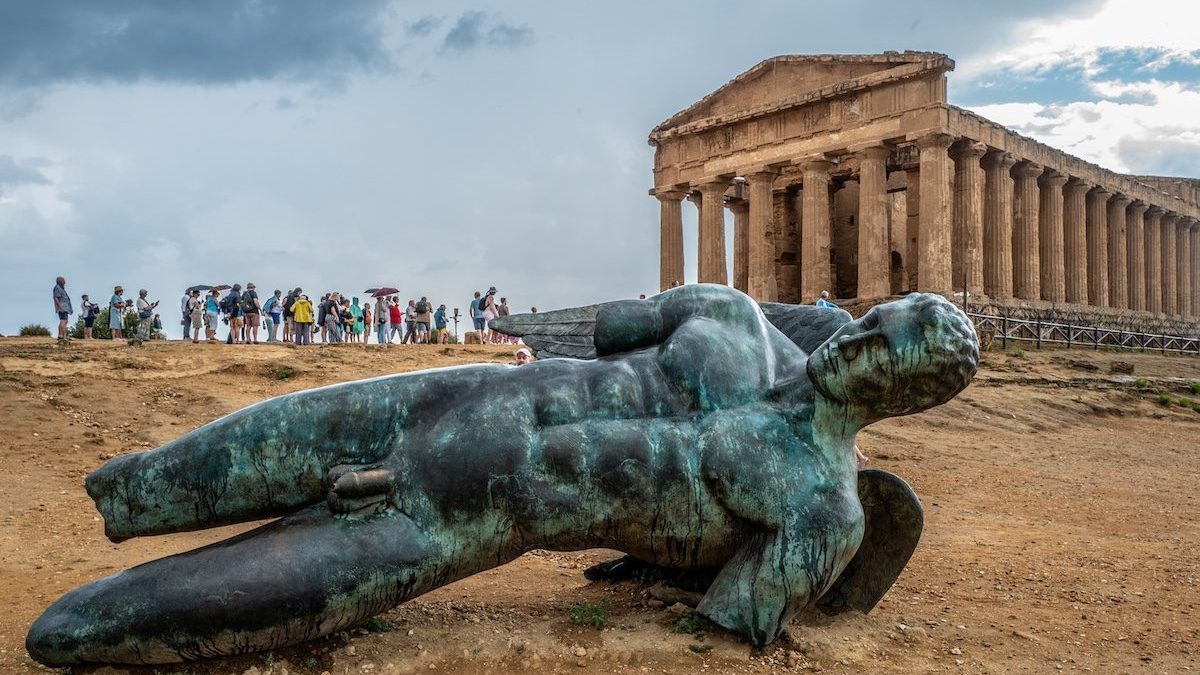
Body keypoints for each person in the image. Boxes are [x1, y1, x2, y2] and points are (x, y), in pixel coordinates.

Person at [38, 288, 979, 663]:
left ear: (906, 395)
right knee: (146, 480)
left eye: (884, 352)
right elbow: (598, 332)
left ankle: (94, 626)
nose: (858, 341)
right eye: (874, 318)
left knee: (81, 628)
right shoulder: (730, 317)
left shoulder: (822, 505)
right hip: (456, 398)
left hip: (478, 522)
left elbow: (727, 619)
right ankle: (127, 501)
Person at [52, 277, 73, 342]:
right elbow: (56, 298)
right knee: (63, 321)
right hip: (62, 307)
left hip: (65, 307)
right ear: (60, 281)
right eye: (63, 281)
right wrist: (60, 307)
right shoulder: (57, 288)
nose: (65, 282)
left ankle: (60, 335)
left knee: (64, 321)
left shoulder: (61, 288)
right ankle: (64, 336)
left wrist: (70, 308)